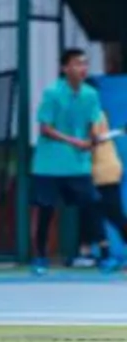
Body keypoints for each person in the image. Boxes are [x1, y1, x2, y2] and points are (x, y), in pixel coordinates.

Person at [30, 48, 114, 275]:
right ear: (65, 68)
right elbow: (45, 128)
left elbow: (91, 123)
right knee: (46, 209)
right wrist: (74, 141)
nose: (82, 68)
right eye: (77, 64)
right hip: (48, 165)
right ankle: (40, 257)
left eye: (85, 64)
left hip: (78, 165)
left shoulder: (91, 95)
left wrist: (92, 139)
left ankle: (105, 255)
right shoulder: (52, 93)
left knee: (93, 203)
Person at [76, 81, 127, 269]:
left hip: (104, 172)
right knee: (90, 212)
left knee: (113, 214)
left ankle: (97, 254)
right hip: (94, 171)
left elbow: (90, 142)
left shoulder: (93, 114)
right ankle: (90, 254)